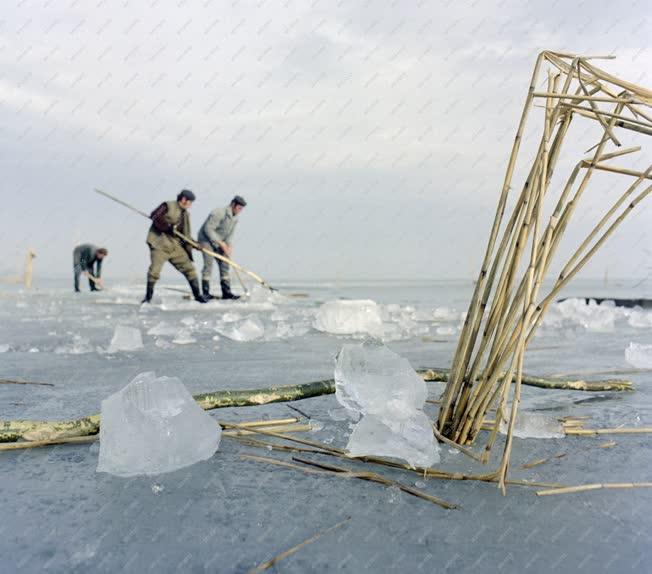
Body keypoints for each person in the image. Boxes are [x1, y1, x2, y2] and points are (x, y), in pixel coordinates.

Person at [143, 189, 208, 304]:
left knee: (190, 270)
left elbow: (184, 236)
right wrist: (166, 227)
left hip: (175, 246)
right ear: (183, 199)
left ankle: (198, 296)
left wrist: (195, 244)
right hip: (159, 244)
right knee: (154, 272)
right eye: (190, 202)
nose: (190, 205)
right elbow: (155, 216)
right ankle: (148, 298)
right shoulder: (167, 205)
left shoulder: (185, 215)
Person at [198, 195, 247, 300]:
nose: (240, 211)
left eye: (241, 209)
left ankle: (226, 292)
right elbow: (208, 229)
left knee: (225, 264)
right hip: (206, 240)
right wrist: (221, 243)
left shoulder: (235, 218)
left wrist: (229, 246)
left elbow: (230, 234)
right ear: (233, 204)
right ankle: (206, 293)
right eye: (239, 208)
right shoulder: (219, 212)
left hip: (220, 242)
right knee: (208, 264)